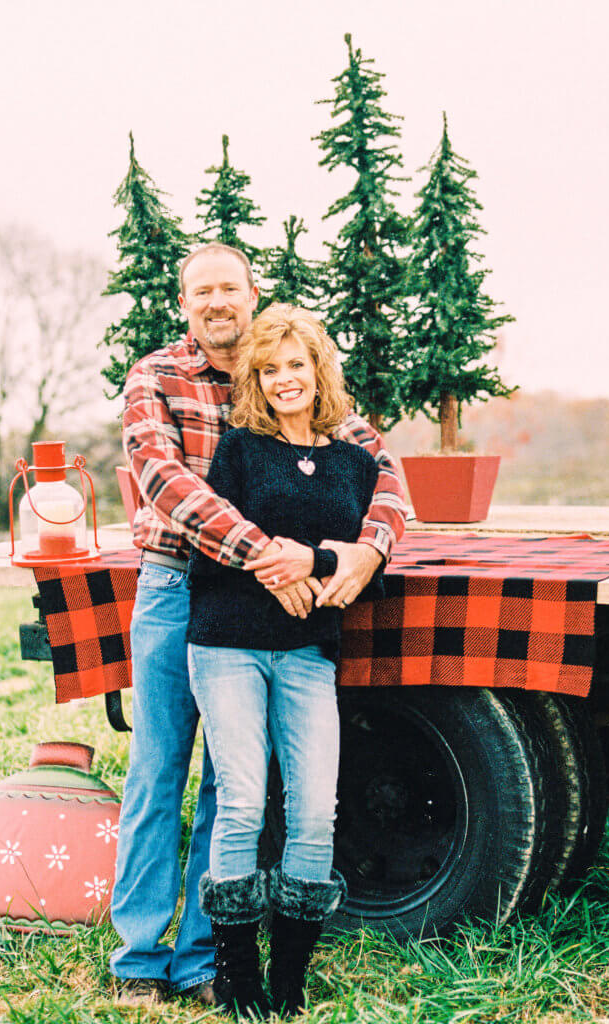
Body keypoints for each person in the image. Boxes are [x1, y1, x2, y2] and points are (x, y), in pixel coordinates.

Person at [111, 243, 407, 1006]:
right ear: (184, 302)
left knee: (231, 785)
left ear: (251, 294)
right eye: (201, 291)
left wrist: (364, 550)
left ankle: (206, 958)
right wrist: (265, 555)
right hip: (180, 585)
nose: (216, 302)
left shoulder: (281, 364)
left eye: (228, 289)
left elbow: (383, 468)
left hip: (271, 598)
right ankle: (140, 958)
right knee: (159, 766)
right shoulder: (155, 376)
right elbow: (162, 479)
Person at [188, 304, 403, 1018]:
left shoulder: (352, 461)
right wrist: (270, 570)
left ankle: (288, 978)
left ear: (318, 369)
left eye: (295, 364)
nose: (285, 379)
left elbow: (364, 564)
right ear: (256, 379)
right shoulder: (240, 450)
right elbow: (209, 547)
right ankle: (237, 976)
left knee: (314, 811)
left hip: (310, 651)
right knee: (244, 803)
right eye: (269, 368)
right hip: (227, 645)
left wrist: (307, 561)